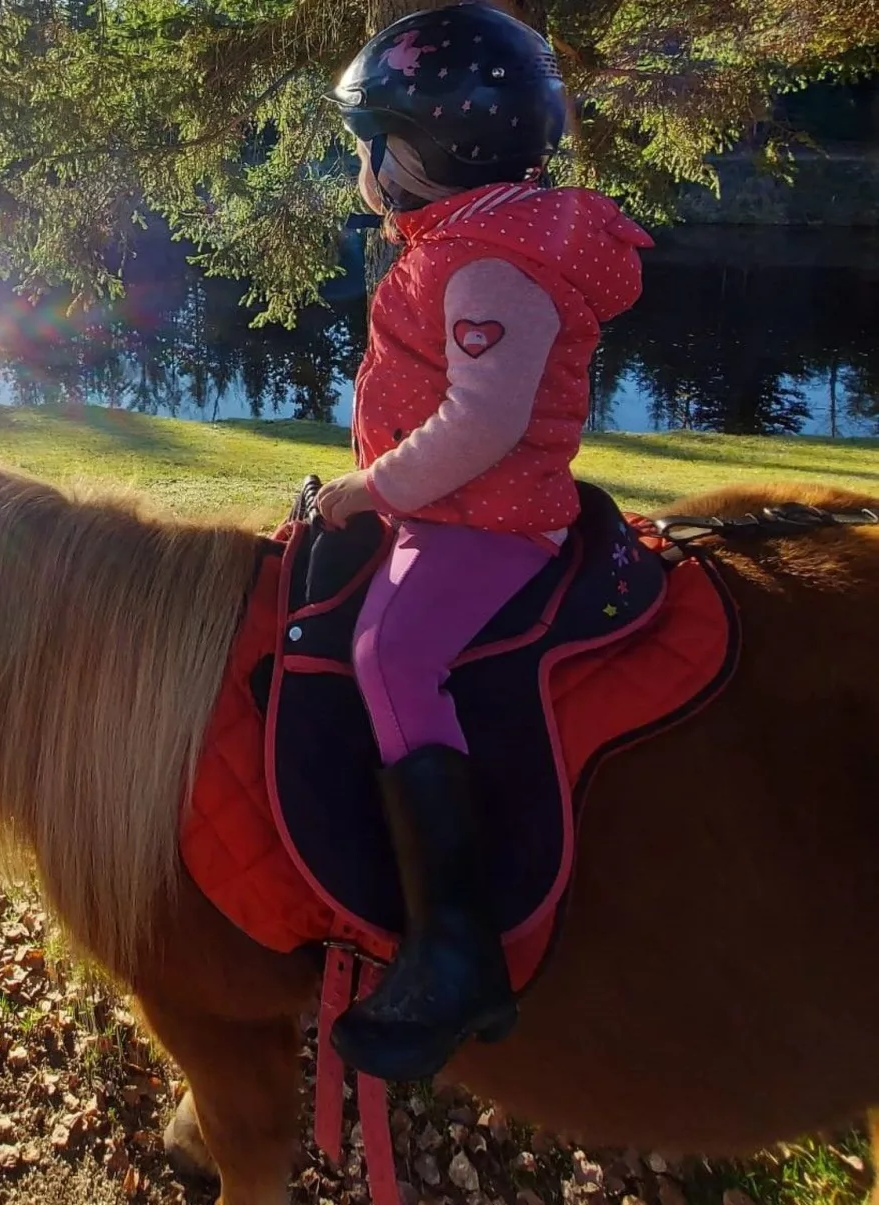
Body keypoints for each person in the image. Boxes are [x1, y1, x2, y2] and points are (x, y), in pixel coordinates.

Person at [316, 1, 654, 1081]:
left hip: (483, 520)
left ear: (429, 153)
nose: (364, 167)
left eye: (376, 144)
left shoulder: (489, 266)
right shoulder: (471, 242)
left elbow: (483, 423)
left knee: (390, 652)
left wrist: (370, 489)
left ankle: (457, 946)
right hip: (462, 505)